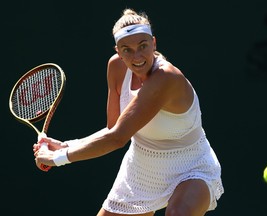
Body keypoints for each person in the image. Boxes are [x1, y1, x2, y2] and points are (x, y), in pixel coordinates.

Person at [34, 8, 224, 216]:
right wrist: (68, 145)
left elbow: (117, 138)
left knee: (177, 213)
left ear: (154, 43)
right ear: (118, 51)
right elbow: (113, 128)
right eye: (127, 49)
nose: (137, 56)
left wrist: (58, 158)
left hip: (191, 167)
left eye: (143, 46)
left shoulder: (165, 78)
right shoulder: (115, 67)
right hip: (141, 170)